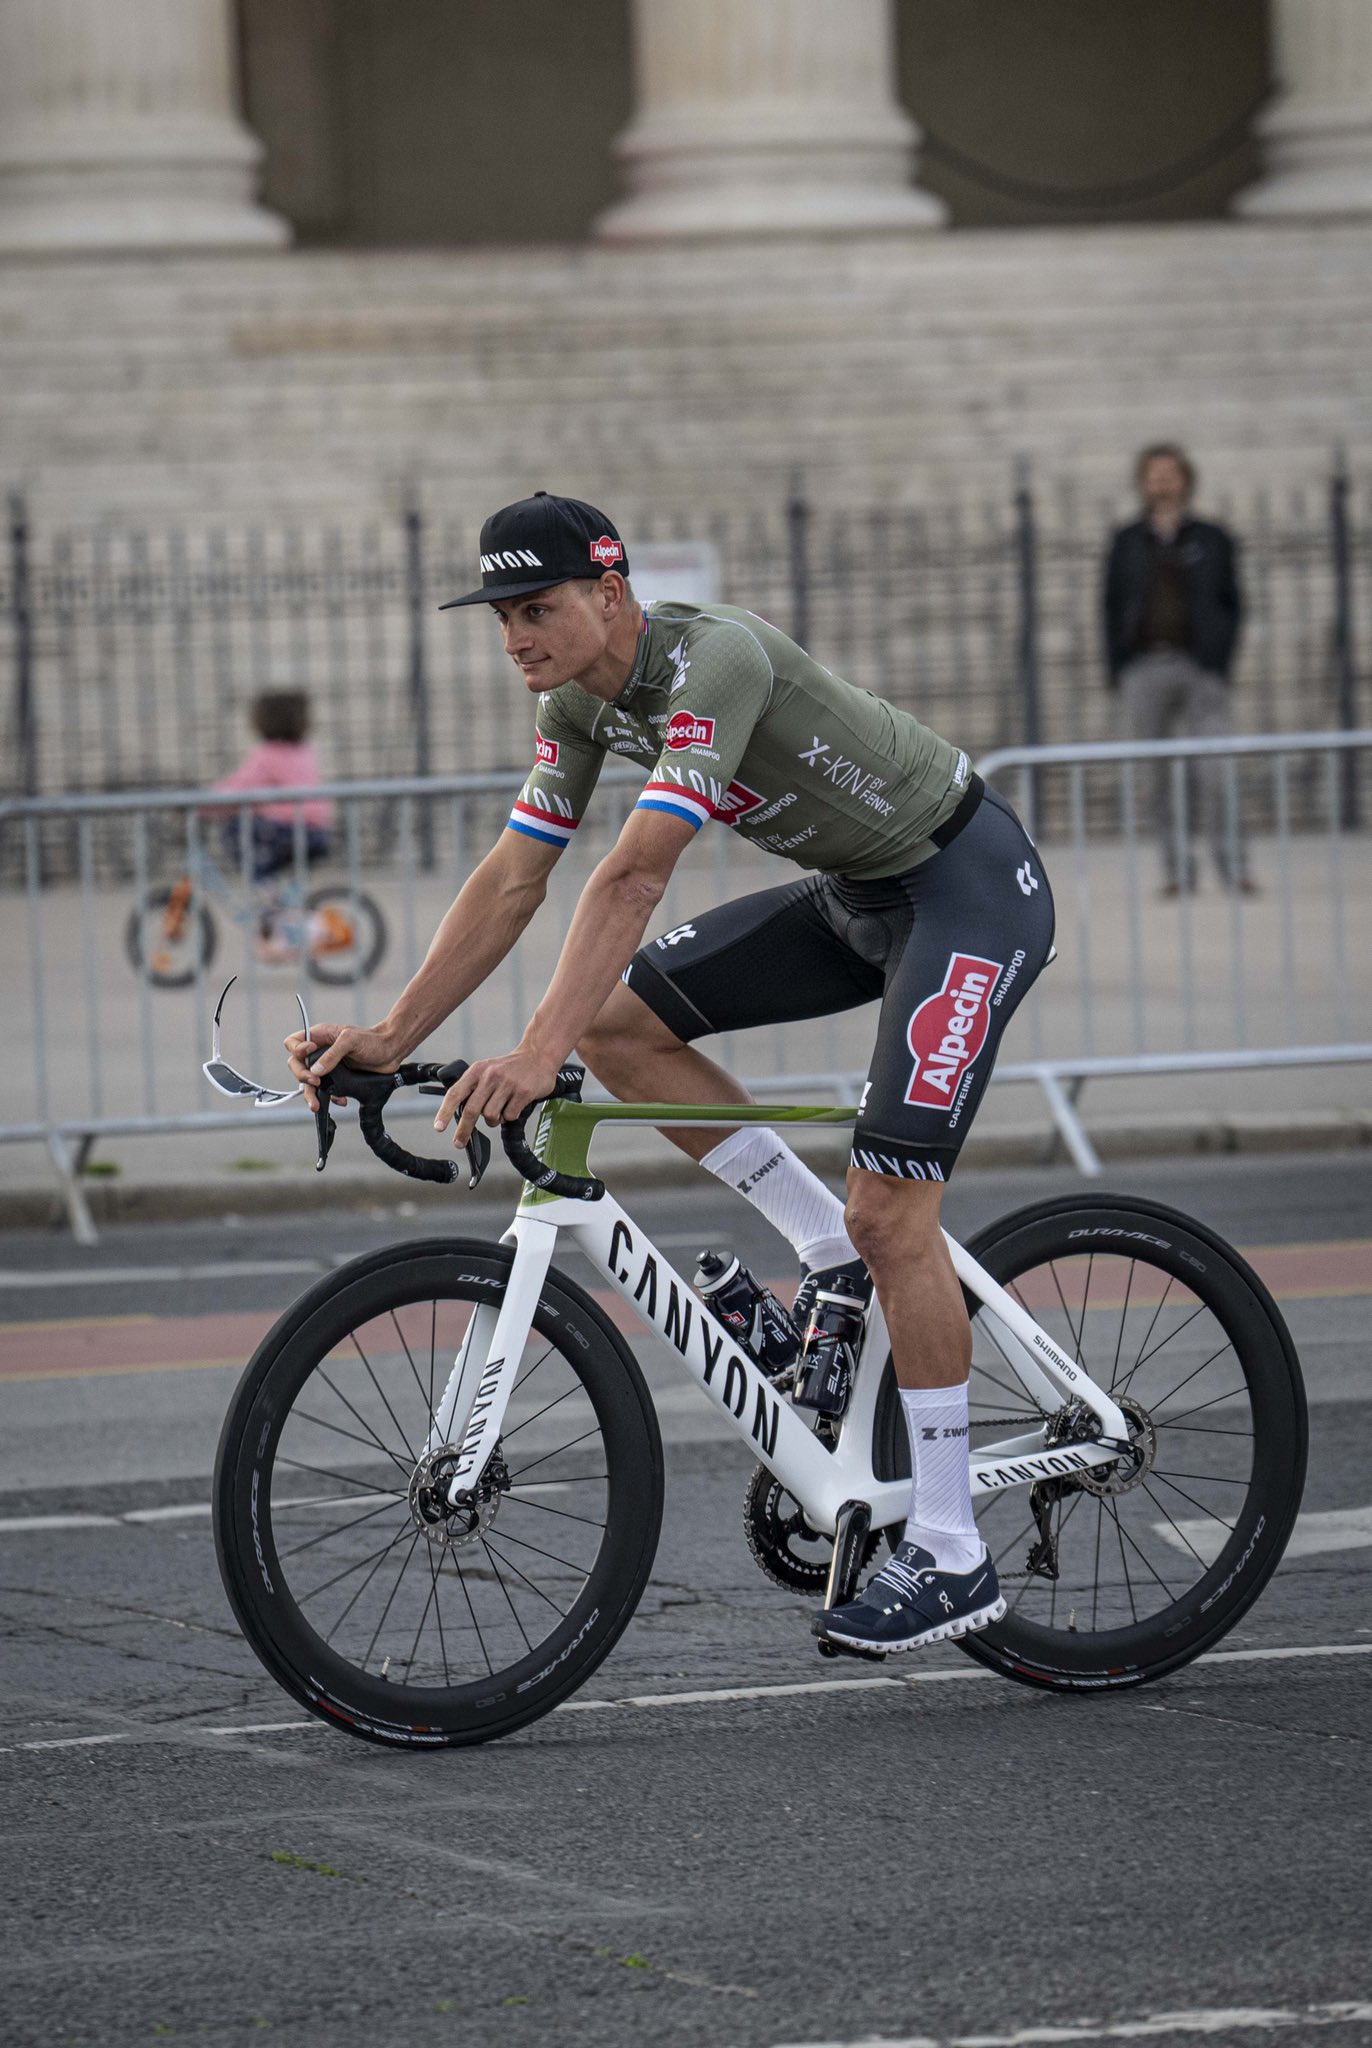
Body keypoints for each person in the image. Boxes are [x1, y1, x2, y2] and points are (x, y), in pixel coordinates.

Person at [286, 492, 1056, 1657]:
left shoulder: (715, 660)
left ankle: (950, 1547)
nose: (516, 638)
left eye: (535, 608)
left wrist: (532, 1051)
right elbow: (513, 876)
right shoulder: (574, 702)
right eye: (500, 615)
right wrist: (390, 1034)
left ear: (610, 592)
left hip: (964, 890)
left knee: (894, 1209)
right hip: (857, 901)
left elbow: (635, 875)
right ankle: (822, 1243)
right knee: (620, 1028)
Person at [1104, 444, 1255, 895]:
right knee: (1157, 777)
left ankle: (1232, 865)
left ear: (1186, 479)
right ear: (1142, 481)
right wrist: (1119, 666)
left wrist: (1218, 661)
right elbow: (1110, 606)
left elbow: (1233, 603)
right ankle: (1175, 870)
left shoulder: (1212, 538)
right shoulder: (1127, 540)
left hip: (1199, 667)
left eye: (1171, 473)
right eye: (1154, 474)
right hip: (1144, 667)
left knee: (1216, 772)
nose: (1163, 482)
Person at [211, 689, 334, 883]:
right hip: (315, 830)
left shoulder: (268, 754)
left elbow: (239, 788)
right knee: (255, 837)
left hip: (290, 829)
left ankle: (266, 892)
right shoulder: (304, 751)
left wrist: (203, 803)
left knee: (234, 831)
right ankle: (274, 897)